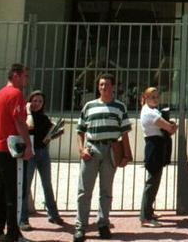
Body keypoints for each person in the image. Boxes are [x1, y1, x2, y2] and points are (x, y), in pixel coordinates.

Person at [74, 74, 132, 242]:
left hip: (111, 149)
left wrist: (126, 155)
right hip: (91, 148)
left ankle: (103, 224)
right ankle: (80, 227)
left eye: (106, 84)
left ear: (113, 86)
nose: (103, 87)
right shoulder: (89, 106)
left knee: (106, 191)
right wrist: (81, 149)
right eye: (100, 85)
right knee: (84, 190)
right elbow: (80, 130)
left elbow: (125, 133)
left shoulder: (120, 107)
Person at [0, 63, 34, 242]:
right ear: (16, 76)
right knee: (13, 192)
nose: (26, 80)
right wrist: (28, 146)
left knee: (0, 191)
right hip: (11, 149)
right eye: (25, 76)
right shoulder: (15, 94)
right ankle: (13, 234)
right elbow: (20, 122)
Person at [19, 91, 63, 231]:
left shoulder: (44, 118)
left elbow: (47, 135)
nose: (37, 103)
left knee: (47, 184)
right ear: (29, 101)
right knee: (26, 185)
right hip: (29, 153)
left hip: (43, 153)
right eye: (35, 100)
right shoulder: (26, 116)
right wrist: (28, 110)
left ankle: (53, 214)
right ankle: (23, 219)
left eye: (40, 102)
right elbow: (30, 126)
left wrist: (55, 133)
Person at [139, 87, 178, 228]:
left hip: (158, 145)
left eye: (157, 97)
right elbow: (169, 128)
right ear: (145, 97)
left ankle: (148, 211)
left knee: (154, 181)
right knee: (152, 182)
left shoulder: (153, 111)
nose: (155, 99)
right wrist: (172, 125)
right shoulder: (150, 113)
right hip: (154, 146)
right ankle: (146, 217)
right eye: (152, 97)